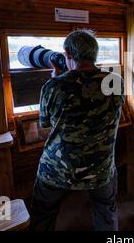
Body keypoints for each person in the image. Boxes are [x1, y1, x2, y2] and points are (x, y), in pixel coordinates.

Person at [30, 29, 124, 231]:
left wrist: (57, 77)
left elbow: (44, 130)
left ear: (68, 54)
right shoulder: (116, 82)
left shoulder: (53, 86)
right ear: (94, 54)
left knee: (43, 212)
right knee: (106, 210)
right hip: (101, 168)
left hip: (57, 170)